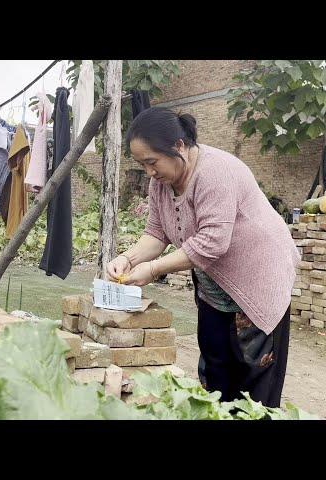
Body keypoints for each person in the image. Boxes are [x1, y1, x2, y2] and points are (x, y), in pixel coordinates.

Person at [106, 107, 300, 408]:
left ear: (179, 147)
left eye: (152, 162)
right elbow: (156, 233)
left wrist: (154, 269)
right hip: (214, 289)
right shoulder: (160, 184)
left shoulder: (215, 172)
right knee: (215, 378)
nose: (149, 172)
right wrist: (128, 259)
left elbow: (212, 242)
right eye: (142, 164)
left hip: (257, 284)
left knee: (253, 392)